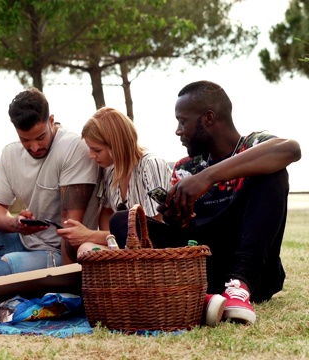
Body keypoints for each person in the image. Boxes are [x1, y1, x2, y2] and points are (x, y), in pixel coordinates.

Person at [111, 80, 301, 326]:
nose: (178, 131)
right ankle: (198, 295)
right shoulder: (185, 168)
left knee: (274, 173)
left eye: (182, 121)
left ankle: (239, 289)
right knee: (123, 220)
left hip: (254, 271)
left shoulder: (253, 144)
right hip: (205, 269)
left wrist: (207, 177)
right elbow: (191, 237)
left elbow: (291, 149)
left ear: (208, 118)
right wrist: (179, 220)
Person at [0, 87, 102, 286]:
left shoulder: (72, 147)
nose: (34, 147)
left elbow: (70, 228)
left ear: (51, 121)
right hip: (21, 239)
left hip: (58, 251)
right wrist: (15, 224)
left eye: (40, 137)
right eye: (25, 140)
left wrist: (68, 285)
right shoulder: (11, 154)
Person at [56, 107, 172, 255]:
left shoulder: (151, 165)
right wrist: (111, 244)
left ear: (116, 146)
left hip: (156, 251)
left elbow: (156, 229)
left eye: (97, 150)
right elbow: (106, 213)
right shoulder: (110, 170)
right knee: (87, 251)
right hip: (126, 248)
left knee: (87, 246)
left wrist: (89, 235)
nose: (91, 155)